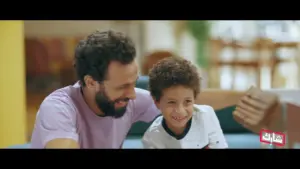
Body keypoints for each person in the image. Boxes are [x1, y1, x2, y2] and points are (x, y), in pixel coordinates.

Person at [30, 30, 160, 148]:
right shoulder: (57, 108)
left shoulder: (131, 99)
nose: (132, 95)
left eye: (134, 84)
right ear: (91, 82)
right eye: (122, 86)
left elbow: (176, 106)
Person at [142, 57, 228, 149]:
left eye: (187, 101)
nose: (180, 111)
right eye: (171, 102)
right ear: (157, 102)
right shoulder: (152, 138)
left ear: (194, 99)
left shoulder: (206, 115)